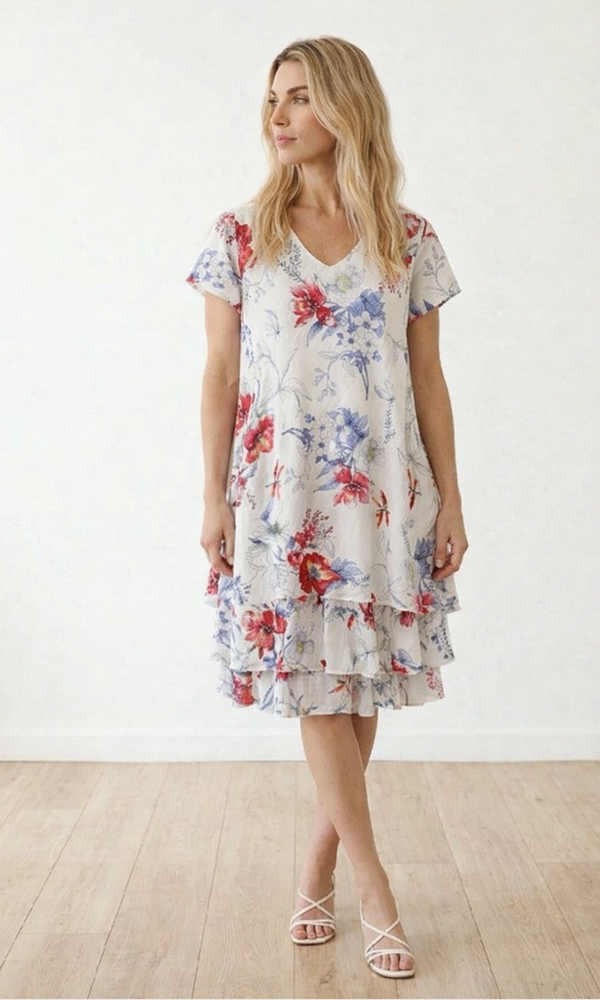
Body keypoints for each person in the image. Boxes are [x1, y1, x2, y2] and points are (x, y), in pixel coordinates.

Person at [185, 35, 468, 980]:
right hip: (280, 501)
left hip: (386, 497)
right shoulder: (240, 236)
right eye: (273, 96)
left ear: (345, 108)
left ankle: (317, 862)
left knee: (358, 681)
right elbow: (221, 374)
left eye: (301, 97)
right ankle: (376, 889)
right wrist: (213, 494)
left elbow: (429, 381)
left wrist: (452, 499)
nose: (279, 114)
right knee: (316, 680)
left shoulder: (409, 237)